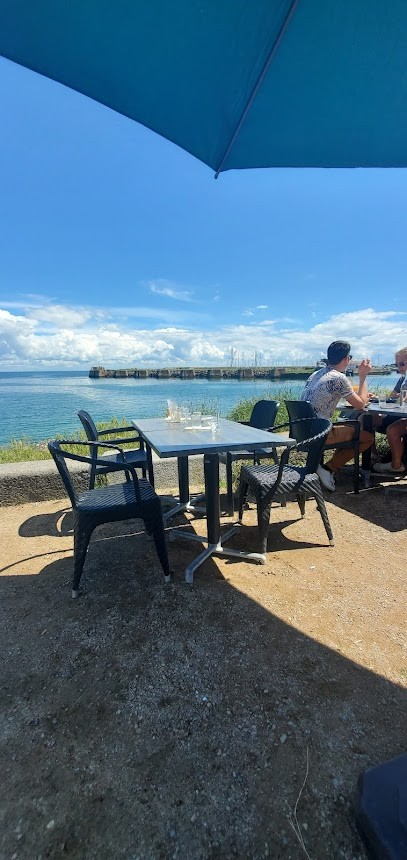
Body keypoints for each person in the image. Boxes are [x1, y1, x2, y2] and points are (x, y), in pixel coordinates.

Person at [300, 340, 374, 491]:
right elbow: (360, 405)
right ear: (346, 358)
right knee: (367, 438)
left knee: (349, 429)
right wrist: (363, 376)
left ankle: (330, 468)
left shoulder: (315, 374)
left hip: (303, 430)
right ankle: (328, 469)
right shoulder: (338, 378)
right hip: (320, 433)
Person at [372, 346, 407, 475]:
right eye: (397, 365)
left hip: (403, 418)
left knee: (393, 430)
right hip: (399, 415)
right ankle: (373, 457)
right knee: (366, 419)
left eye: (402, 364)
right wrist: (376, 398)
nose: (399, 368)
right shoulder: (403, 379)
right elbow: (393, 397)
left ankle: (396, 466)